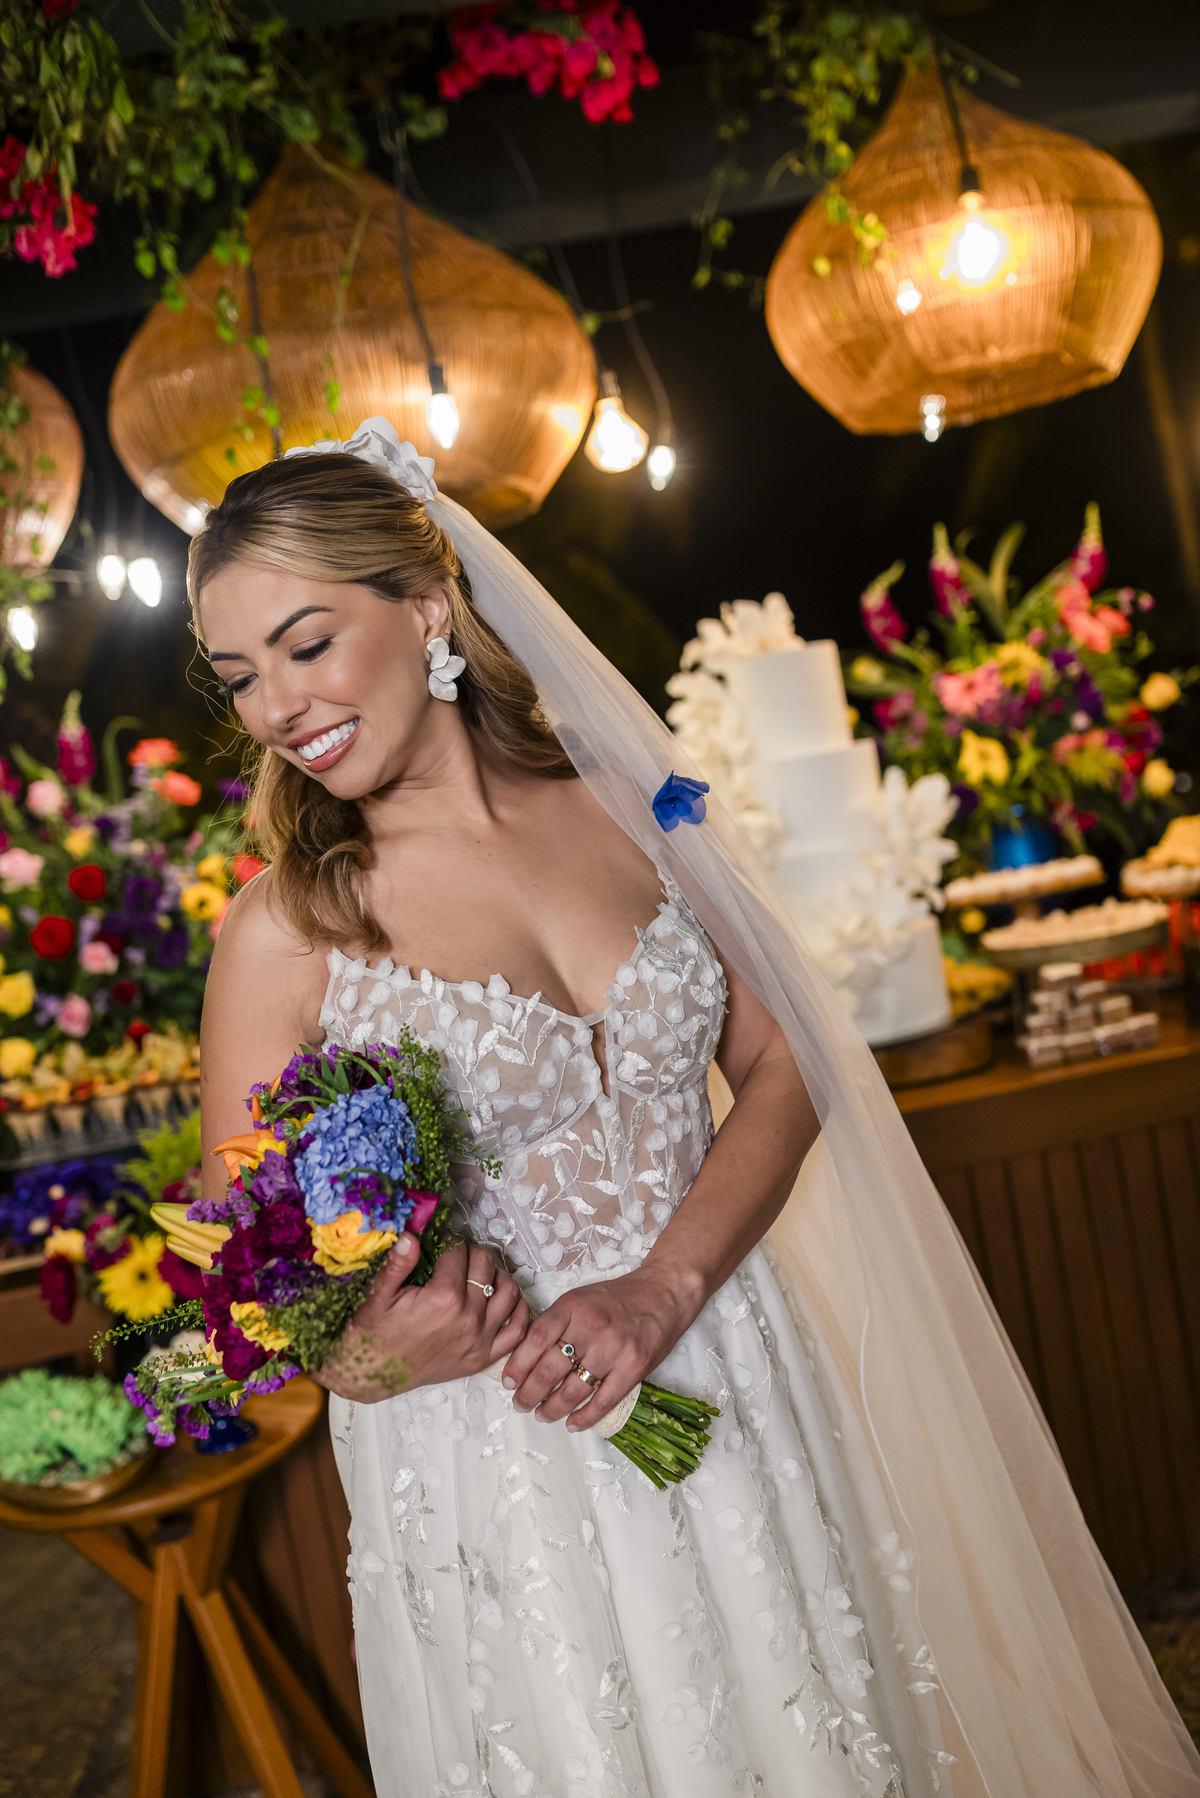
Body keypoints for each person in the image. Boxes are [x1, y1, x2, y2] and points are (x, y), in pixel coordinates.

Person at [194, 420, 1200, 1798]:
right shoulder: (285, 931)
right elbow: (250, 1287)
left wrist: (666, 1286)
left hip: (736, 1365)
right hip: (512, 1463)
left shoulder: (640, 804)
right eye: (240, 676)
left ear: (425, 607)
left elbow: (792, 1058)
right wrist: (379, 1355)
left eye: (305, 645)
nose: (275, 706)